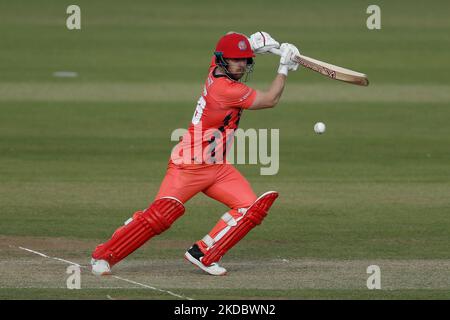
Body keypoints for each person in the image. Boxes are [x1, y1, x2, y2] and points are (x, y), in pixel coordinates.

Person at [90, 31, 300, 276]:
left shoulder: (216, 67)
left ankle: (204, 253)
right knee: (160, 217)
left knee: (249, 208)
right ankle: (103, 256)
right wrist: (284, 66)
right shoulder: (224, 89)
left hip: (217, 167)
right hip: (187, 165)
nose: (242, 65)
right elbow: (270, 99)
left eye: (245, 59)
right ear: (223, 60)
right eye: (236, 60)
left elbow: (228, 43)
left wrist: (254, 44)